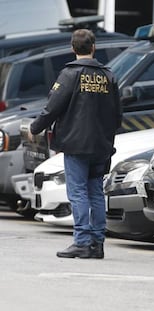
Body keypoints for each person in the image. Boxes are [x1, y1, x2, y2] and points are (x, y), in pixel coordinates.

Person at [29, 29, 122, 259]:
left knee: (78, 192)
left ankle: (81, 241)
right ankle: (97, 243)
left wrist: (34, 128)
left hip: (76, 144)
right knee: (96, 193)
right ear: (94, 47)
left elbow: (52, 107)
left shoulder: (70, 74)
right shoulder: (108, 76)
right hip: (101, 146)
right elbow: (118, 114)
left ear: (73, 48)